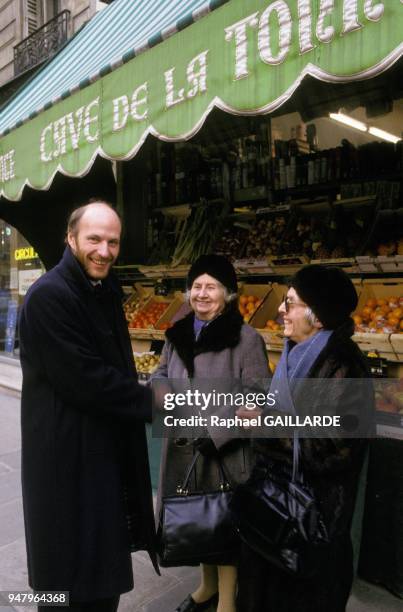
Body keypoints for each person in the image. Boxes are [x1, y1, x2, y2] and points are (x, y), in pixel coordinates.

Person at [19, 201, 158, 612]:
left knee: (100, 584)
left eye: (112, 242)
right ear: (71, 238)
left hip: (100, 459)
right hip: (64, 466)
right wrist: (155, 401)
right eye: (94, 239)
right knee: (61, 586)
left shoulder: (103, 290)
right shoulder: (48, 296)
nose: (104, 250)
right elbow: (88, 380)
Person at [237, 264, 374, 612]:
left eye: (291, 302)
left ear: (318, 315)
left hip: (312, 524)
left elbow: (332, 447)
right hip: (273, 511)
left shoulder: (346, 367)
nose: (282, 310)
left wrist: (266, 423)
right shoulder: (292, 355)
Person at [152, 254, 270, 612]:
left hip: (225, 451)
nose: (202, 294)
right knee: (197, 518)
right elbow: (158, 373)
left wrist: (219, 432)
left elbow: (258, 398)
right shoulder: (177, 334)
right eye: (197, 286)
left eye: (212, 287)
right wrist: (164, 396)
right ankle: (206, 587)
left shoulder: (246, 339)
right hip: (182, 443)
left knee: (223, 522)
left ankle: (227, 602)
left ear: (229, 294)